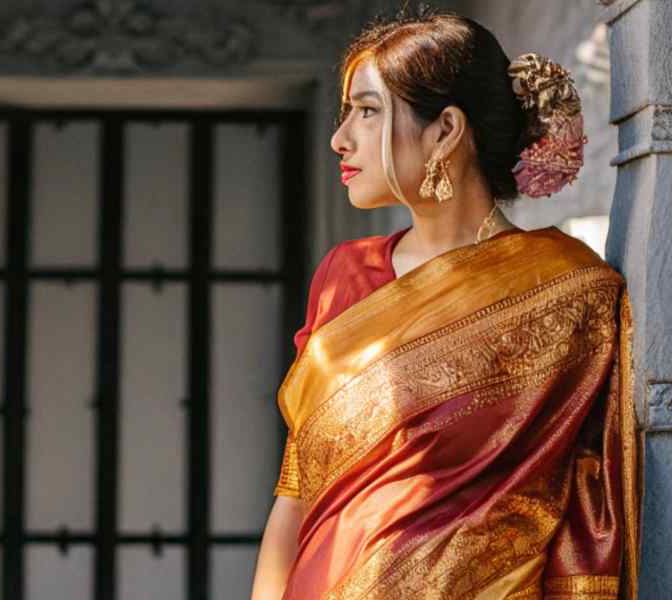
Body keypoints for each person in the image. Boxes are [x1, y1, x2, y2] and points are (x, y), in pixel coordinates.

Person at [250, 10, 639, 600]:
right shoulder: (345, 274)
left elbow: (592, 489)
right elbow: (297, 489)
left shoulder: (567, 289)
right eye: (346, 111)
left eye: (368, 110)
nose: (341, 137)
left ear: (445, 131)